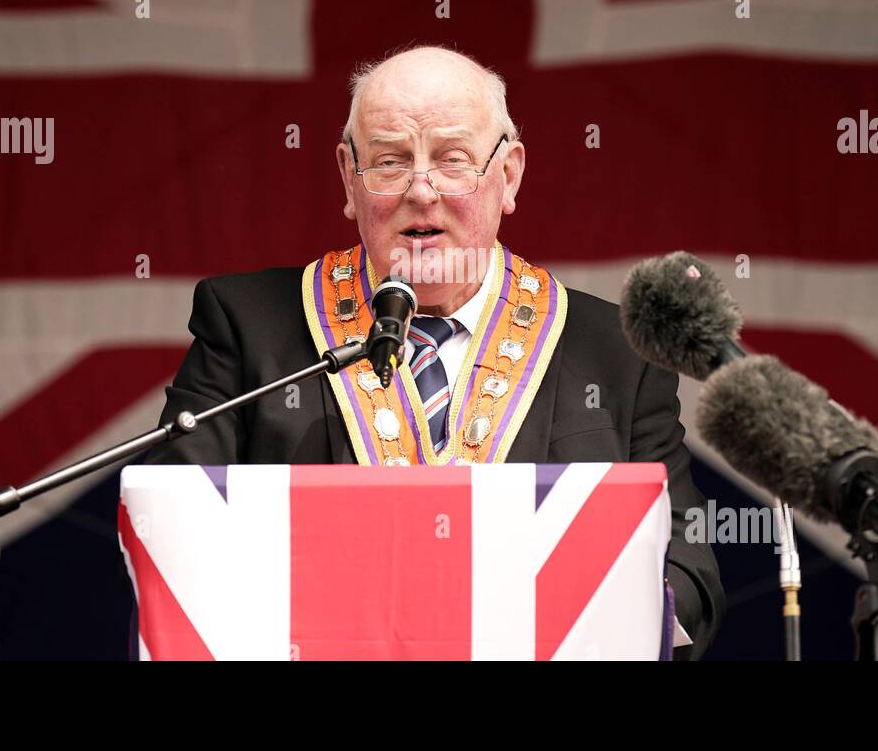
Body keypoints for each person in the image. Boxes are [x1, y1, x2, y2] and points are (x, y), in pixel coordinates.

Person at [144, 45, 724, 658]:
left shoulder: (616, 351)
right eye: (390, 161)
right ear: (348, 177)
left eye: (453, 160)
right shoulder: (248, 325)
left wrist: (594, 616)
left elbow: (688, 570)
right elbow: (176, 528)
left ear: (510, 175)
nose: (421, 191)